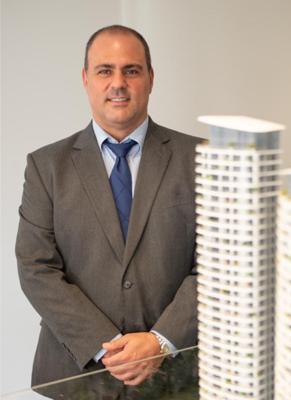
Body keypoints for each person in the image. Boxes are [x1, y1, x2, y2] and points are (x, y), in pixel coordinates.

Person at [15, 25, 200, 389]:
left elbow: (223, 265)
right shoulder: (46, 166)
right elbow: (36, 267)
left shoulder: (203, 159)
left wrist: (160, 341)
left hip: (178, 377)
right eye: (105, 71)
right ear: (86, 79)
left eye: (131, 70)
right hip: (77, 376)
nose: (118, 83)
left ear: (150, 78)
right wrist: (110, 348)